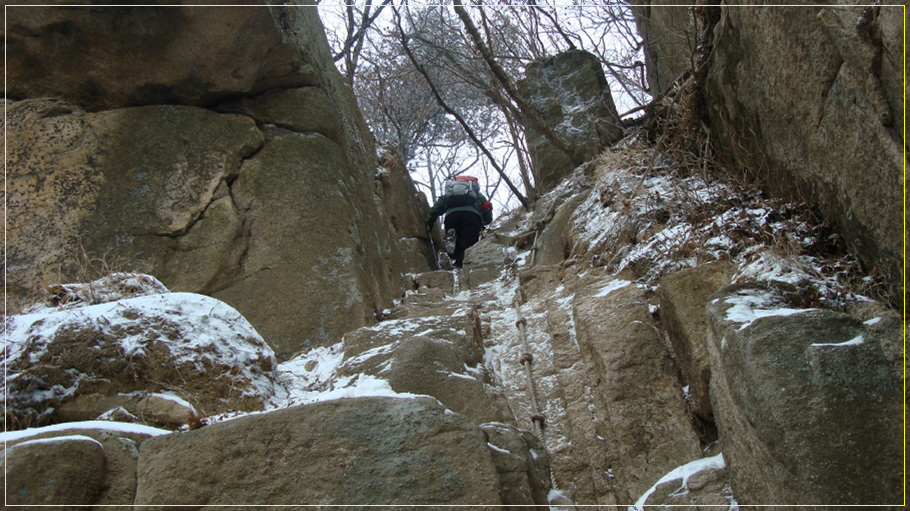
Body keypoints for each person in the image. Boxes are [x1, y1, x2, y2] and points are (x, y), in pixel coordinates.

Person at [427, 176, 493, 269]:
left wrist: (430, 222)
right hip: (471, 217)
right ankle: (460, 263)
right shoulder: (478, 195)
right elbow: (487, 209)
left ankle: (452, 241)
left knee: (454, 245)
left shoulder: (449, 194)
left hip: (451, 217)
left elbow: (436, 208)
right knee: (468, 243)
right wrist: (486, 220)